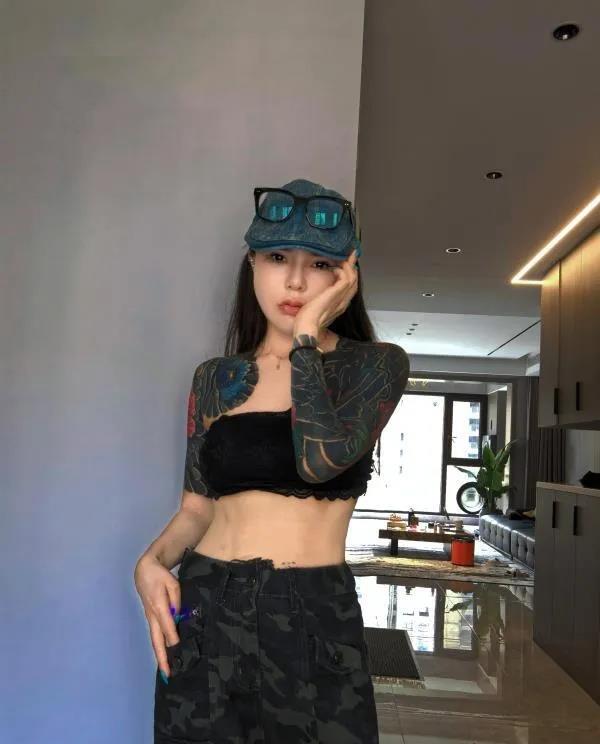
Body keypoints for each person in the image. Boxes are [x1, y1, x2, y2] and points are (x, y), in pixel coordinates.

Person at [134, 178, 410, 744]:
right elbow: (196, 508)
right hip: (204, 607)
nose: (296, 281)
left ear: (346, 277)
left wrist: (306, 338)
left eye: (320, 264)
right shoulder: (214, 379)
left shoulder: (375, 366)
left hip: (312, 613)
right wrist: (151, 562)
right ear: (252, 263)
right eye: (278, 257)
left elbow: (318, 462)